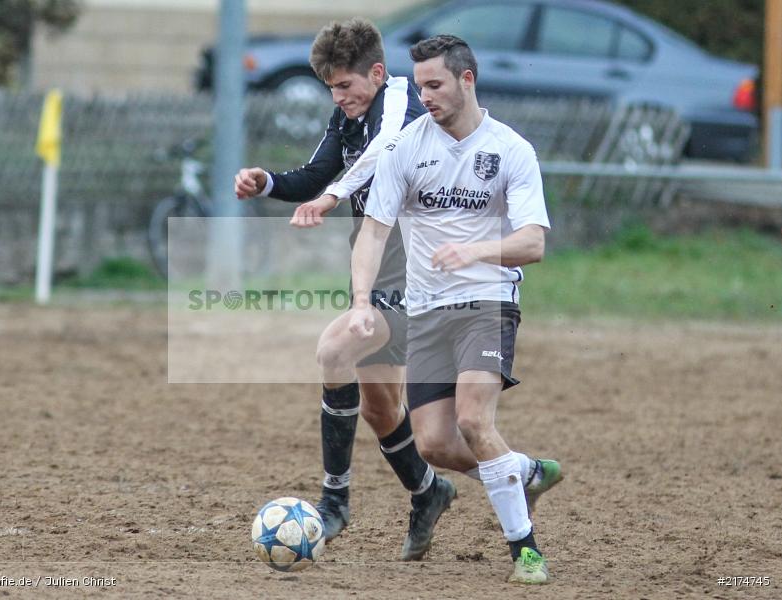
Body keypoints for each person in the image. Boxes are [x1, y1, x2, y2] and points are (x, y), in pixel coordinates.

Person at [234, 18, 458, 559]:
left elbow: (384, 152)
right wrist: (266, 182)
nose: (337, 97)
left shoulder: (401, 103)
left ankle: (334, 500)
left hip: (422, 269)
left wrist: (333, 197)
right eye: (330, 88)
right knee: (381, 408)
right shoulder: (348, 115)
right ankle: (430, 491)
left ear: (376, 73)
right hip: (378, 267)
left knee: (334, 350)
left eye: (344, 85)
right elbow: (315, 174)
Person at [347, 35, 561, 583]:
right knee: (436, 445)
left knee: (472, 419)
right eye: (420, 86)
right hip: (426, 312)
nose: (425, 97)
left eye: (435, 84)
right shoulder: (404, 149)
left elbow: (533, 243)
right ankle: (522, 471)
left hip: (488, 303)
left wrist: (476, 250)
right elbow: (374, 233)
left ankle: (526, 551)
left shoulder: (511, 149)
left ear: (468, 79)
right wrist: (362, 302)